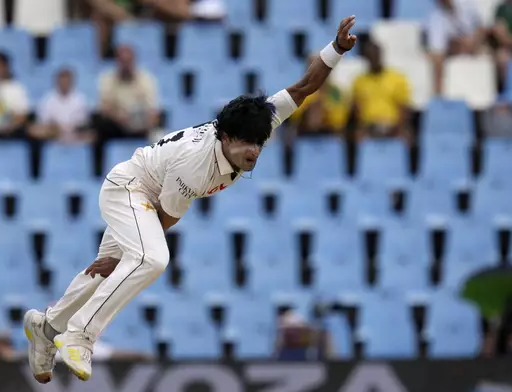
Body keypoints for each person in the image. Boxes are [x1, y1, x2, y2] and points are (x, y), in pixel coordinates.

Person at [23, 15, 358, 383]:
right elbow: (166, 216)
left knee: (109, 267)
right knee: (152, 258)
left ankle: (46, 327)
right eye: (247, 144)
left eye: (259, 143)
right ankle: (81, 335)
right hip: (130, 190)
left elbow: (305, 86)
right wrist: (123, 253)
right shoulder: (198, 163)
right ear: (227, 137)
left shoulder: (259, 120)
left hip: (146, 195)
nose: (254, 152)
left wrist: (337, 49)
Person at [350, 41, 413, 145]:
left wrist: (400, 129)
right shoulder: (359, 81)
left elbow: (403, 107)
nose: (374, 58)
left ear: (381, 55)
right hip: (369, 127)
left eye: (376, 55)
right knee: (356, 137)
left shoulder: (396, 78)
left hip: (392, 126)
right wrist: (360, 129)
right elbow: (357, 109)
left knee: (406, 137)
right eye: (371, 56)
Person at [96, 45, 161, 140]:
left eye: (128, 61)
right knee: (98, 123)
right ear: (117, 61)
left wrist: (146, 122)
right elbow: (104, 108)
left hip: (142, 124)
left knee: (160, 127)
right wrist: (117, 116)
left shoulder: (146, 79)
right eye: (123, 61)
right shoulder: (107, 79)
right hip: (117, 124)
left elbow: (153, 110)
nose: (126, 65)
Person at [426, 0, 486, 94]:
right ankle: (439, 94)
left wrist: (474, 43)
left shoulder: (468, 3)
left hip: (479, 44)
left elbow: (481, 28)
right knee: (436, 59)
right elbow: (438, 50)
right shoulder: (436, 17)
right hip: (455, 49)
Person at [29, 68, 94, 144]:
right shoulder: (48, 99)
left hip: (76, 132)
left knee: (92, 134)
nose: (64, 83)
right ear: (57, 82)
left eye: (67, 81)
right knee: (34, 130)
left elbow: (83, 122)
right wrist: (56, 128)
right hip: (53, 132)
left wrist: (69, 128)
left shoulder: (80, 99)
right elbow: (43, 121)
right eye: (62, 81)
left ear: (72, 82)